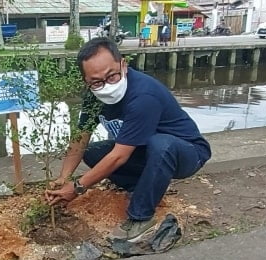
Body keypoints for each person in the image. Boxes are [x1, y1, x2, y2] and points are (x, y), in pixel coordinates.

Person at [45, 37, 211, 241]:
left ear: (123, 65)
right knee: (94, 152)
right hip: (145, 150)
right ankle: (142, 188)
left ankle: (140, 217)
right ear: (86, 82)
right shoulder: (93, 97)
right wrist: (64, 177)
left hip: (187, 152)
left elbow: (119, 156)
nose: (106, 85)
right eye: (96, 82)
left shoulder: (143, 96)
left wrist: (78, 187)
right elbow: (81, 138)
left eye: (112, 76)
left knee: (160, 144)